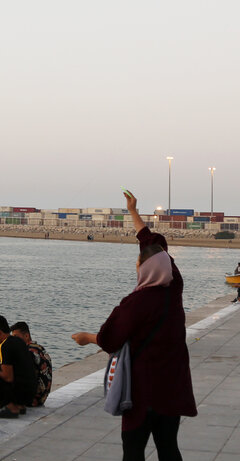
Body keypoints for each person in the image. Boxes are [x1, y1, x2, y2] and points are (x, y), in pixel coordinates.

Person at [71, 190, 196, 461]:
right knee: (169, 448)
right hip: (172, 386)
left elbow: (109, 339)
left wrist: (86, 337)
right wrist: (133, 212)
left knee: (133, 451)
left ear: (143, 268)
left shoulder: (135, 302)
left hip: (142, 391)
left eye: (138, 263)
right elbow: (155, 245)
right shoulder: (174, 287)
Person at [10, 322, 53, 407]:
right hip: (42, 397)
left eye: (16, 337)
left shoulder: (27, 352)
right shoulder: (39, 348)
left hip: (33, 400)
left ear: (26, 336)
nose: (14, 340)